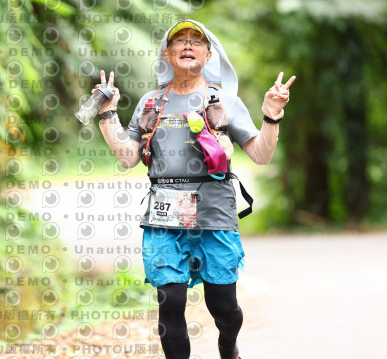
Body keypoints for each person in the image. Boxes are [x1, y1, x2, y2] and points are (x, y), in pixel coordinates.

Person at [93, 20, 295, 359]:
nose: (188, 45)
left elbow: (261, 155)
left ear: (209, 54)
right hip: (164, 217)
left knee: (223, 307)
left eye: (197, 41)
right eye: (180, 40)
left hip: (214, 215)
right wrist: (107, 115)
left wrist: (271, 117)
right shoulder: (150, 102)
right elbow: (128, 158)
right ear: (167, 53)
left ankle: (228, 346)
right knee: (170, 302)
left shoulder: (225, 101)